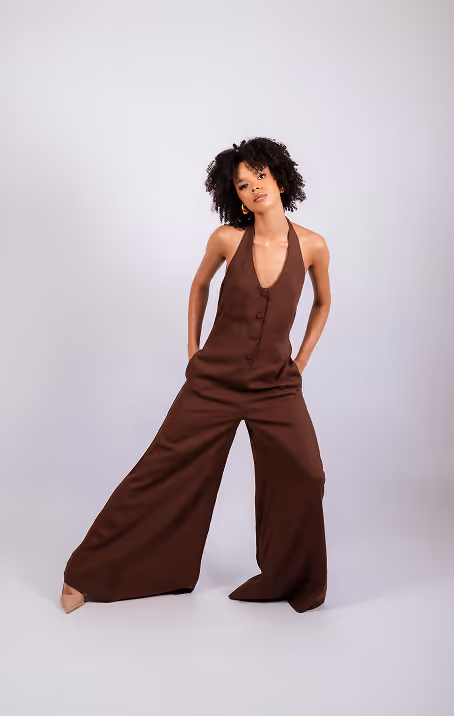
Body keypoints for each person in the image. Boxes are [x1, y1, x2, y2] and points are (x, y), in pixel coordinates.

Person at [61, 137, 331, 614]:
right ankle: (87, 574)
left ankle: (287, 577)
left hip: (276, 387)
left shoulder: (312, 246)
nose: (254, 188)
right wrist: (193, 351)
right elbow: (199, 285)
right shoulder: (227, 239)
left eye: (260, 176)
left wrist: (302, 360)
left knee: (307, 474)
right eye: (243, 185)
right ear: (237, 198)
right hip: (213, 382)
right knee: (161, 468)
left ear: (279, 178)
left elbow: (323, 302)